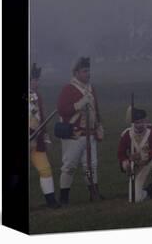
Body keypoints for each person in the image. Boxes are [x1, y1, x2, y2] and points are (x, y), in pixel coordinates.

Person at [56, 57, 104, 204]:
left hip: (90, 133)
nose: (87, 74)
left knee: (91, 166)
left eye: (88, 71)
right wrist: (78, 105)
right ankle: (64, 198)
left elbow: (95, 109)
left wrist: (99, 125)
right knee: (69, 166)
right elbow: (62, 110)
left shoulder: (91, 88)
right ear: (76, 73)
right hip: (74, 135)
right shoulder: (68, 89)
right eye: (84, 71)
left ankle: (93, 193)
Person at [29, 63, 60, 208]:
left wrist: (45, 137)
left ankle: (51, 201)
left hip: (36, 141)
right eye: (34, 80)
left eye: (37, 80)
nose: (37, 83)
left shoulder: (37, 96)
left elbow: (41, 119)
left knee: (45, 169)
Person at [118, 108, 152, 202]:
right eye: (137, 122)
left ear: (146, 121)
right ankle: (148, 191)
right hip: (137, 166)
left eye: (142, 121)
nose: (139, 125)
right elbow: (121, 153)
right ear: (133, 123)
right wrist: (126, 164)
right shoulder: (127, 134)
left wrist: (142, 157)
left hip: (150, 161)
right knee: (134, 199)